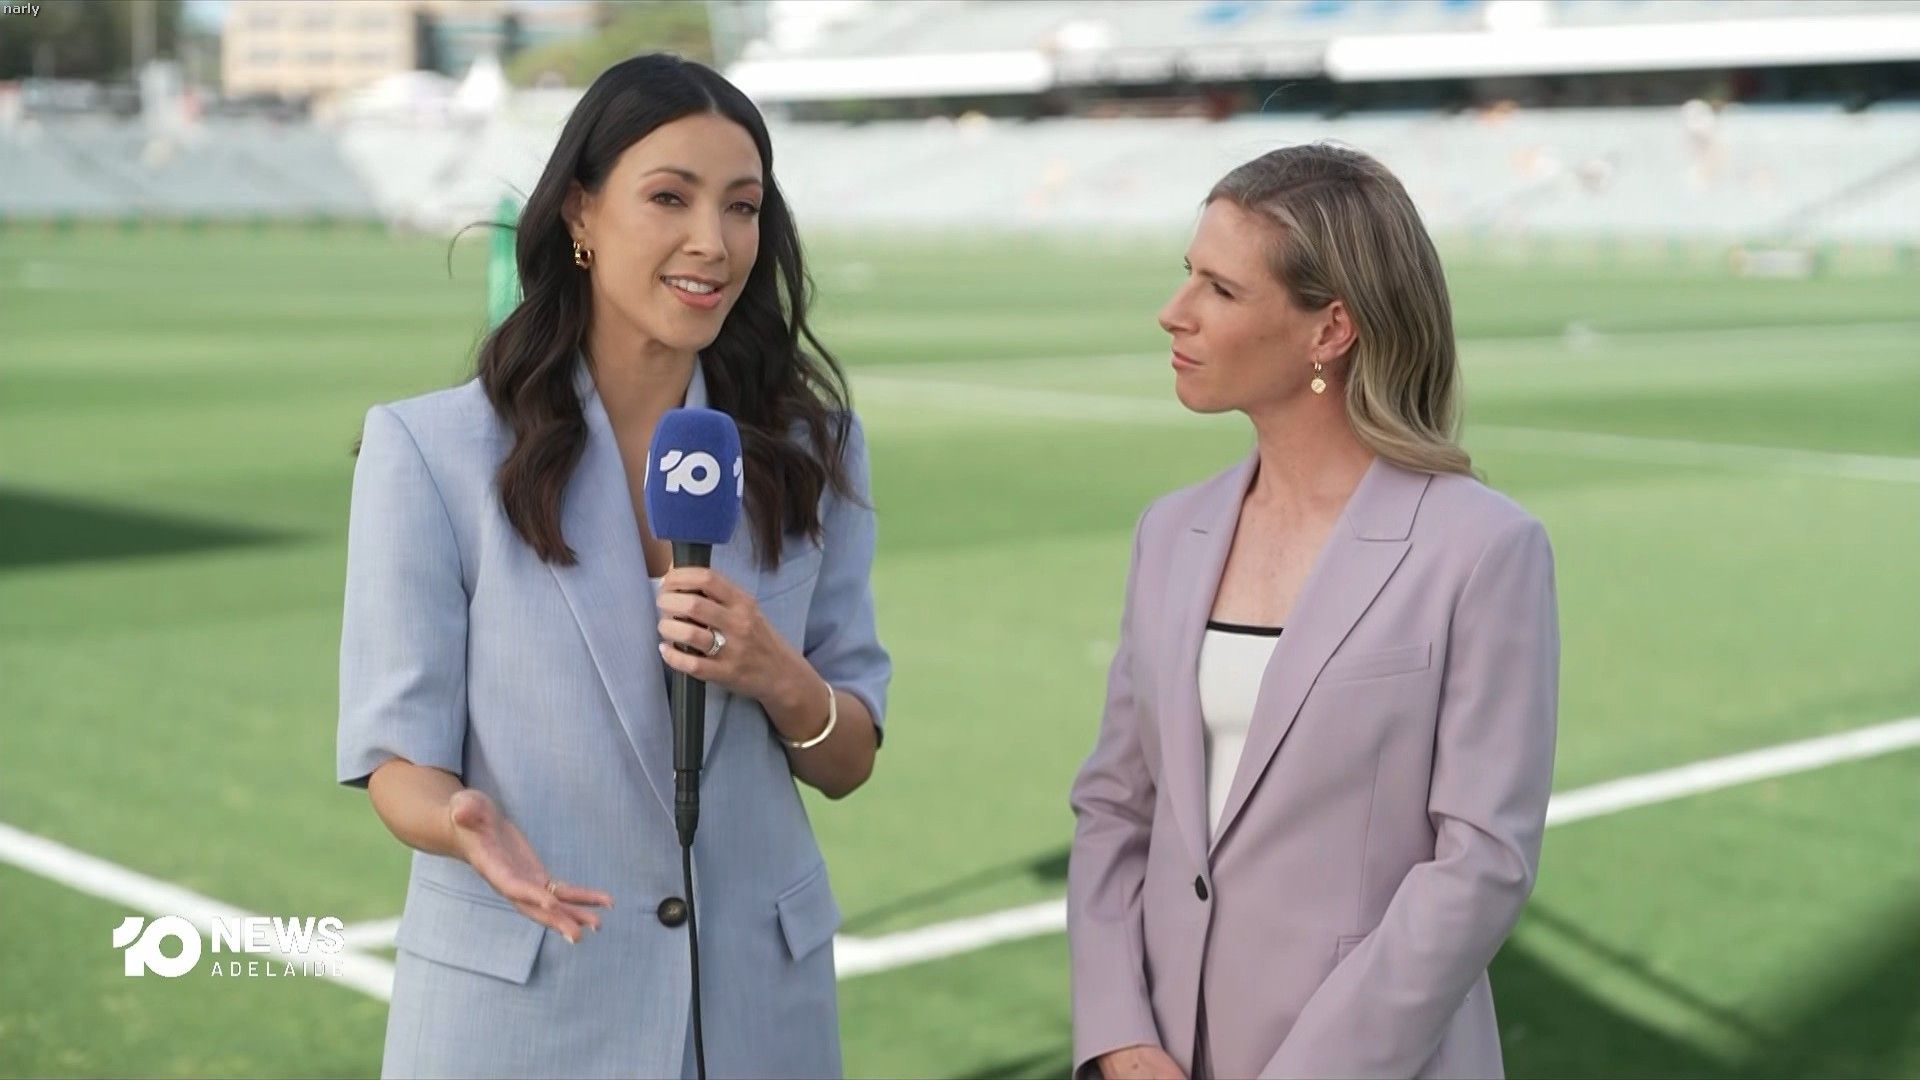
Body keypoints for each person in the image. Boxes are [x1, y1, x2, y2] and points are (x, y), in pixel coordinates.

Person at [336, 54, 889, 1079]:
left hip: (758, 1018)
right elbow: (396, 756)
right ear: (581, 213)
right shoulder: (429, 451)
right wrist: (457, 821)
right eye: (670, 197)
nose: (712, 240)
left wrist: (778, 674)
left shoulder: (815, 453)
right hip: (522, 1014)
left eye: (742, 207)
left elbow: (847, 758)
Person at [1068, 143, 1559, 1080]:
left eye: (1219, 288)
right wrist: (1120, 1036)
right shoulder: (1170, 532)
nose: (1174, 311)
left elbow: (1481, 863)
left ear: (1330, 328)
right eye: (1187, 274)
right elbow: (1114, 807)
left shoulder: (1482, 548)